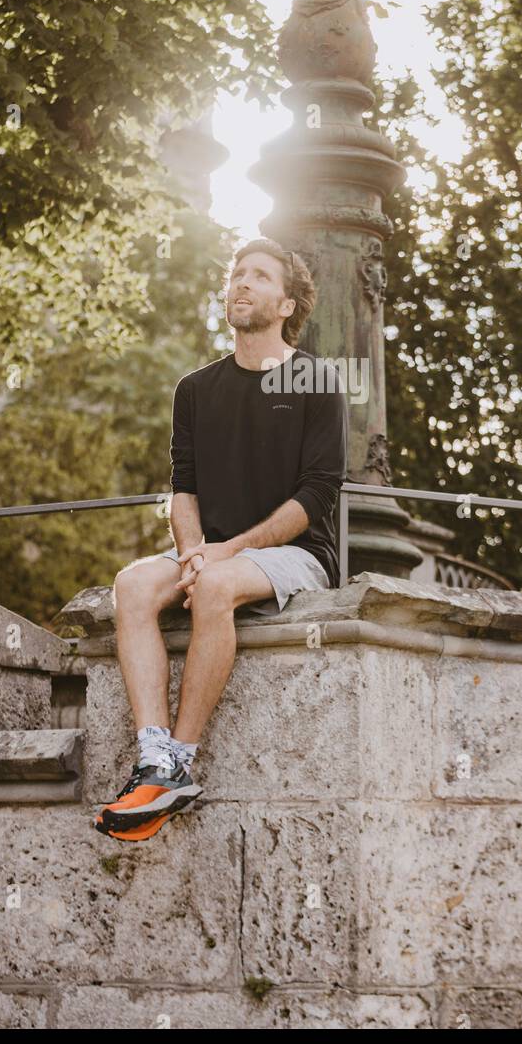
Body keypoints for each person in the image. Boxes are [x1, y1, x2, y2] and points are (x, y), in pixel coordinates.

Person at [94, 237, 349, 841]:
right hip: (211, 552)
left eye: (259, 276)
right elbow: (185, 488)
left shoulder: (318, 379)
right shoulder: (194, 389)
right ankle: (154, 757)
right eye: (237, 273)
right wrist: (190, 552)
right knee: (130, 585)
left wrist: (222, 554)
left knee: (212, 587)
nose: (241, 283)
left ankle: (181, 762)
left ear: (287, 304)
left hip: (297, 555)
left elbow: (317, 495)